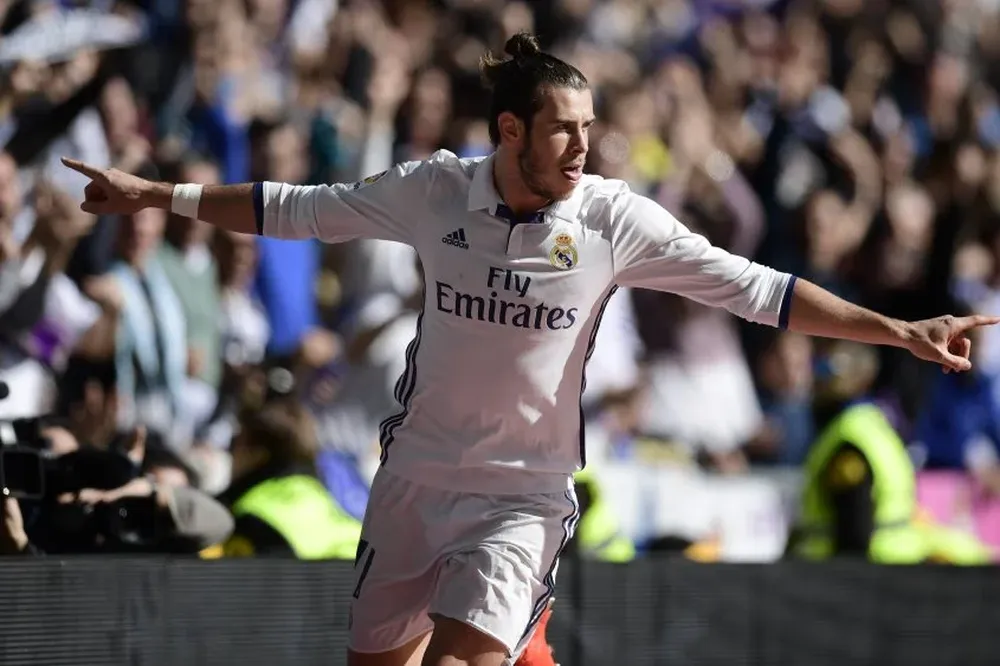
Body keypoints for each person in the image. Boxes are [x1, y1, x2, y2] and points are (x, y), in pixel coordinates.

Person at [62, 31, 998, 666]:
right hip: (416, 479)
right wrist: (155, 194)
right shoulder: (434, 190)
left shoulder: (611, 219)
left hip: (523, 495)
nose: (585, 146)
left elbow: (756, 289)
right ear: (510, 131)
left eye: (591, 129)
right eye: (565, 129)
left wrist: (896, 330)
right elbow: (291, 212)